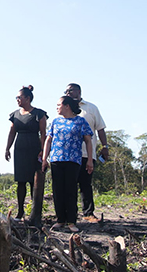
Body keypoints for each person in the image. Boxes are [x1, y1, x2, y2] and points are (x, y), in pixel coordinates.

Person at [42, 95, 94, 233]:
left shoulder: (80, 121)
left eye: (59, 105)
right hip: (56, 160)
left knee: (70, 190)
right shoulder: (55, 122)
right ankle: (60, 220)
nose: (57, 107)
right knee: (58, 191)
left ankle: (71, 221)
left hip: (73, 160)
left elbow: (88, 141)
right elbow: (48, 140)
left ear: (67, 106)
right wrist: (44, 158)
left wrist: (89, 160)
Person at [65, 83, 109, 223]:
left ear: (78, 91)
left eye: (70, 91)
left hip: (86, 153)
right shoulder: (64, 109)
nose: (67, 93)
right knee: (69, 185)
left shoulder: (91, 108)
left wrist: (105, 146)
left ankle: (88, 213)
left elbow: (100, 129)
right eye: (66, 91)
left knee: (85, 184)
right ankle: (69, 214)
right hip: (69, 154)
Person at [4, 86, 47, 221]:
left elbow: (43, 133)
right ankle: (20, 211)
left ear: (28, 98)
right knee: (20, 181)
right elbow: (12, 132)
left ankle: (35, 212)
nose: (17, 100)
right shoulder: (15, 114)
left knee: (33, 180)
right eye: (16, 97)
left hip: (34, 147)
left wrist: (42, 150)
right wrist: (7, 148)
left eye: (20, 97)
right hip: (20, 148)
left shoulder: (39, 114)